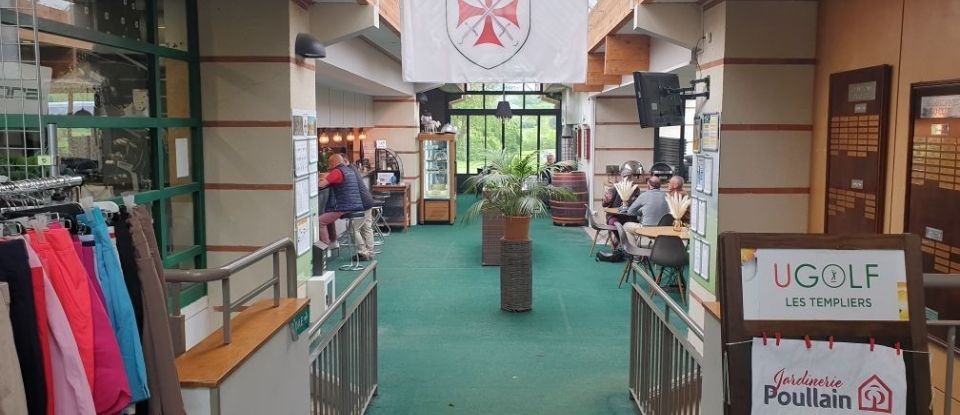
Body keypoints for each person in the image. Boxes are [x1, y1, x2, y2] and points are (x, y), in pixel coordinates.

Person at [317, 154, 366, 248]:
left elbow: (321, 185)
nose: (328, 165)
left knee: (320, 221)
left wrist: (319, 180)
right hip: (353, 204)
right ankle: (333, 241)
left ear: (333, 162)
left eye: (329, 163)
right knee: (328, 215)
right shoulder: (348, 170)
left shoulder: (337, 172)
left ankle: (325, 247)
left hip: (343, 205)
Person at [601, 174, 640, 249]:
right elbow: (604, 204)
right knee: (614, 223)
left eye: (629, 177)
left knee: (628, 225)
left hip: (629, 217)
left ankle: (624, 243)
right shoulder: (615, 188)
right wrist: (606, 200)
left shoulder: (635, 189)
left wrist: (630, 201)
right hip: (615, 216)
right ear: (621, 177)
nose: (627, 179)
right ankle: (622, 241)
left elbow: (637, 204)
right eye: (625, 176)